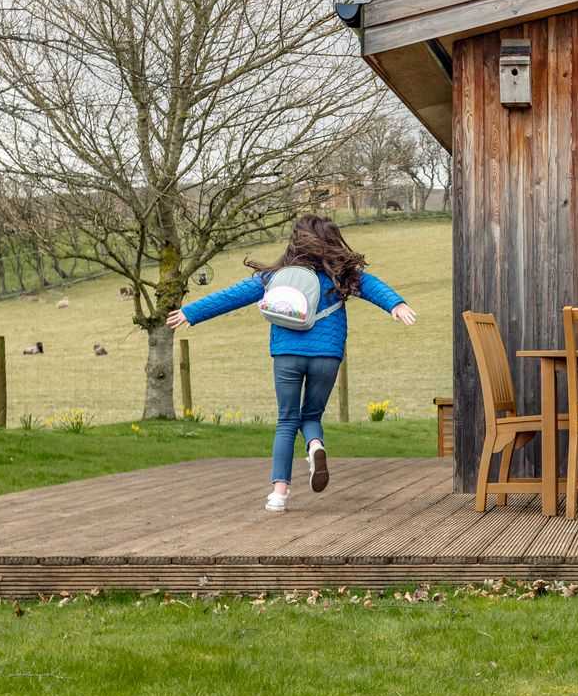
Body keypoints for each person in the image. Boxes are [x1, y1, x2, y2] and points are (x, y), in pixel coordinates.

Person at [168, 216, 417, 512]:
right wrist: (396, 304)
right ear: (332, 242)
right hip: (327, 355)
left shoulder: (276, 276)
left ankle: (279, 494)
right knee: (311, 415)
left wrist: (191, 312)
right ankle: (315, 446)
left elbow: (232, 295)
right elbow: (373, 286)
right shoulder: (342, 276)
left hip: (287, 355)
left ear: (295, 242)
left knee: (287, 420)